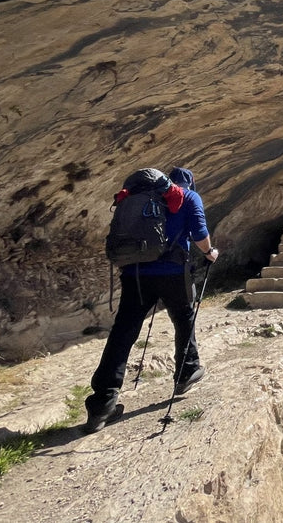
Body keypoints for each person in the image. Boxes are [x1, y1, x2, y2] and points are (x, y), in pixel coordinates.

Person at [84, 166, 219, 433]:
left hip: (134, 273)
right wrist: (209, 253)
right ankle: (187, 371)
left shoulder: (140, 197)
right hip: (172, 273)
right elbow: (199, 234)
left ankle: (101, 404)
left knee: (123, 331)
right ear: (189, 183)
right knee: (184, 317)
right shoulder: (189, 197)